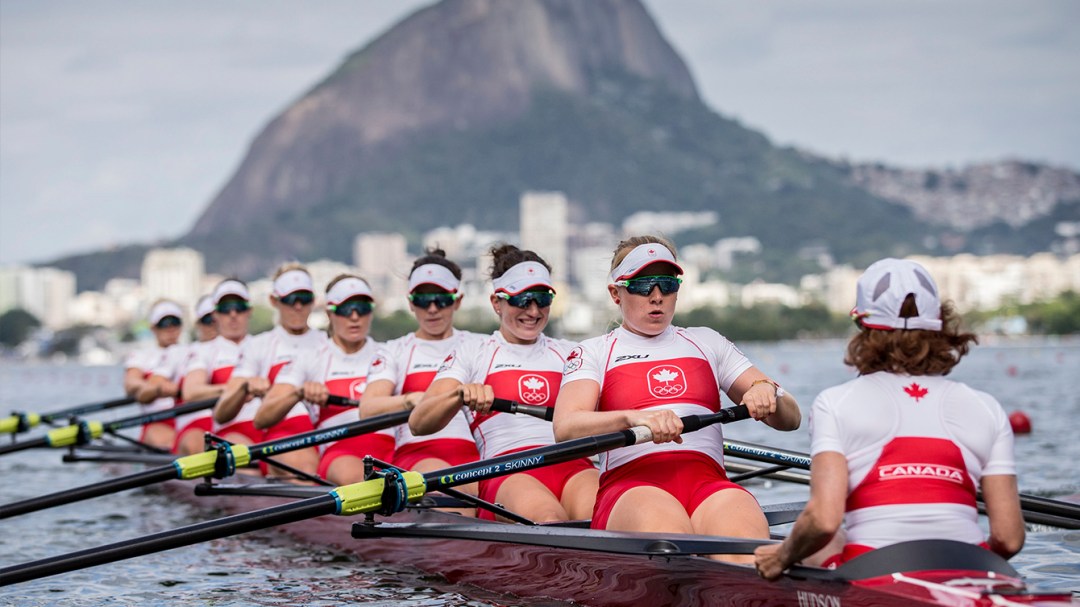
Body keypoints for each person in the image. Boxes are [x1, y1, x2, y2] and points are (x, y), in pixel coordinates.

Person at [754, 258, 1025, 579]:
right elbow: (1009, 537)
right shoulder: (986, 407)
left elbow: (824, 521)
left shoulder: (836, 403)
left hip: (874, 569)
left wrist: (781, 557)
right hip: (972, 568)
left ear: (863, 327)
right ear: (940, 324)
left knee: (823, 542)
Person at [552, 235, 801, 564]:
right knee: (675, 550)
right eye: (642, 285)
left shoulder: (707, 342)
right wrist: (633, 418)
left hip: (709, 485)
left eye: (667, 284)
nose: (657, 297)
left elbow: (791, 419)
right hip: (632, 488)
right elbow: (565, 428)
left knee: (751, 561)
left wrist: (768, 392)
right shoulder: (594, 353)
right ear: (616, 292)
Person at [411, 244, 599, 523]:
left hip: (575, 466)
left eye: (542, 299)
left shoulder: (572, 352)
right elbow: (418, 423)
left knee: (603, 518)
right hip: (507, 471)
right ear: (496, 302)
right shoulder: (473, 352)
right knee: (549, 519)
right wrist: (459, 395)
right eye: (521, 300)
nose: (533, 311)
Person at [360, 249, 482, 511]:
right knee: (457, 495)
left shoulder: (479, 345)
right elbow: (367, 410)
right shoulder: (394, 350)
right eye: (423, 300)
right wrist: (410, 401)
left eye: (441, 299)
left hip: (479, 454)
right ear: (411, 303)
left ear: (457, 300)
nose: (433, 308)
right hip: (421, 454)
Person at [258, 274, 387, 485]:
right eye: (345, 309)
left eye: (362, 308)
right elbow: (262, 419)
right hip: (342, 453)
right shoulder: (310, 358)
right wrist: (298, 393)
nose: (354, 316)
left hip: (392, 449)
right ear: (330, 313)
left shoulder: (389, 353)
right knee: (356, 478)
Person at [218, 263, 326, 477]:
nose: (297, 307)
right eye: (289, 299)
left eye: (304, 299)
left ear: (313, 301)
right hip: (280, 436)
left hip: (326, 434)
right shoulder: (258, 346)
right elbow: (222, 414)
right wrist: (244, 387)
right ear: (274, 301)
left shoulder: (328, 343)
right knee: (306, 469)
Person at [177, 279, 252, 456]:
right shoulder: (203, 351)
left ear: (249, 311)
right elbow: (190, 392)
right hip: (229, 432)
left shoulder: (263, 344)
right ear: (216, 314)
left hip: (268, 429)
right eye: (226, 309)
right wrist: (236, 389)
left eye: (239, 307)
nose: (233, 314)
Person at [124, 299, 185, 450]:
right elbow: (131, 383)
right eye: (164, 324)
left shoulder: (191, 353)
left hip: (186, 420)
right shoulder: (142, 355)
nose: (170, 329)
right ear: (153, 328)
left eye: (175, 323)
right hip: (156, 421)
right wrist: (155, 388)